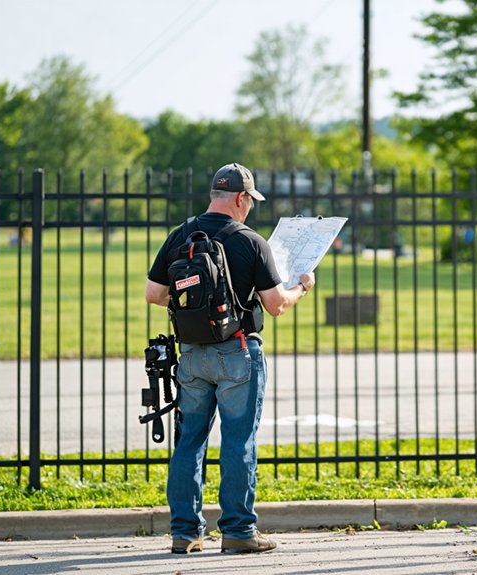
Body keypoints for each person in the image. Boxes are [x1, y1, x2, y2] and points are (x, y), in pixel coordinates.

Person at [145, 163, 315, 554]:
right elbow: (275, 305)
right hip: (238, 351)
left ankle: (185, 532)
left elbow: (154, 293)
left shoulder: (181, 234)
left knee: (189, 442)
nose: (250, 207)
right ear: (241, 198)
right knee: (238, 441)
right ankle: (238, 532)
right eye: (250, 201)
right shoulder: (250, 241)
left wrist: (197, 303)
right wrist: (301, 287)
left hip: (191, 356)